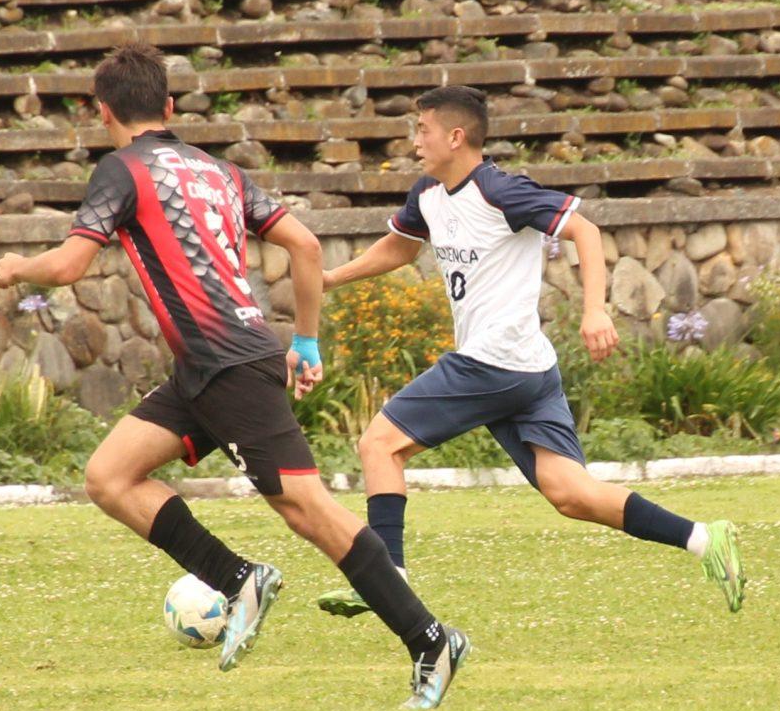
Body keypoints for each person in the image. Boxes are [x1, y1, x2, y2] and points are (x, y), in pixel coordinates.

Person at [0, 45, 473, 710]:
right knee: (109, 476)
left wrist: (18, 267)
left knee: (309, 512)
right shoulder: (220, 171)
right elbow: (305, 244)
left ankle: (431, 640)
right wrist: (304, 339)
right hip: (210, 366)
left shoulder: (122, 169)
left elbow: (71, 265)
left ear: (103, 113)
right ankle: (238, 578)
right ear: (168, 106)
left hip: (229, 367)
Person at [316, 85, 746, 619]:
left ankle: (386, 583)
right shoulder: (427, 192)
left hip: (493, 360)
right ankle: (705, 538)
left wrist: (595, 310)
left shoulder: (501, 190)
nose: (415, 142)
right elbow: (401, 246)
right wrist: (332, 278)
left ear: (456, 136)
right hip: (529, 369)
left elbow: (585, 230)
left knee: (379, 445)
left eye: (423, 130)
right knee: (571, 493)